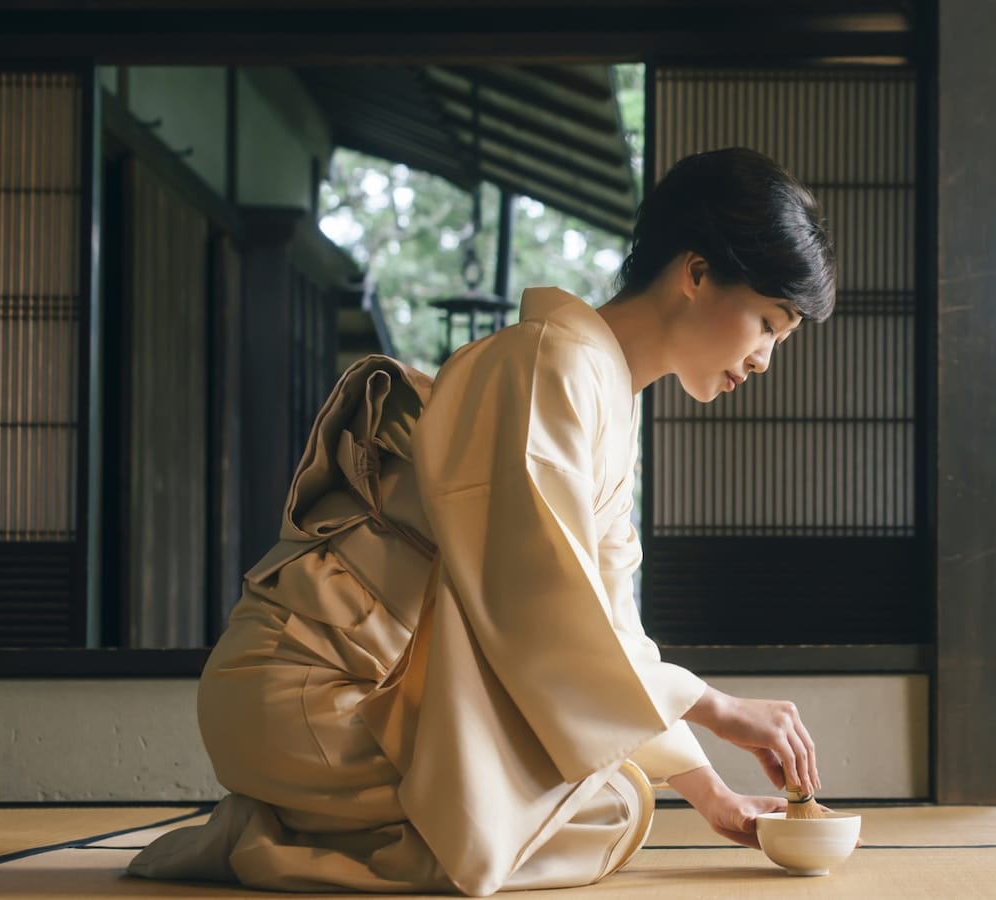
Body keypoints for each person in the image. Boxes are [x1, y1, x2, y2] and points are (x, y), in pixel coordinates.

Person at [127, 147, 836, 896]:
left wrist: (713, 796)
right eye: (768, 323)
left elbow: (609, 630)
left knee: (614, 798)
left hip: (382, 694)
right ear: (695, 273)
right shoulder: (546, 364)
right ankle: (264, 841)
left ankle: (306, 822)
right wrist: (717, 707)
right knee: (603, 805)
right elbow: (544, 609)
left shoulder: (604, 395)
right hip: (312, 688)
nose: (764, 359)